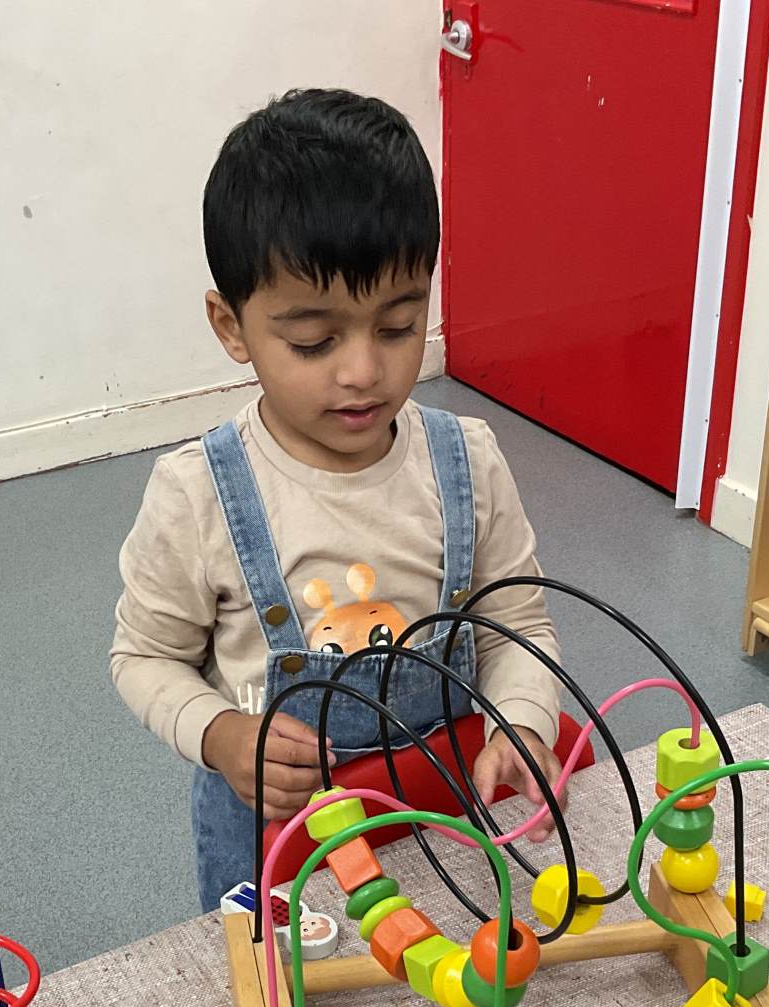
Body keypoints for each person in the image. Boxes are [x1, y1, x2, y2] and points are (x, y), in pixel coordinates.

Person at [111, 88, 563, 912]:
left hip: (446, 829)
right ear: (231, 327)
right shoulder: (198, 495)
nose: (363, 371)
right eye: (314, 341)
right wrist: (222, 736)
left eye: (398, 327)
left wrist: (523, 720)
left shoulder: (467, 463)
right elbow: (143, 658)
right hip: (282, 845)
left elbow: (519, 626)